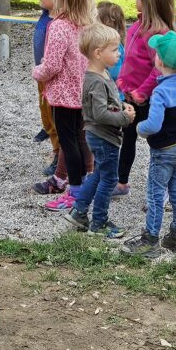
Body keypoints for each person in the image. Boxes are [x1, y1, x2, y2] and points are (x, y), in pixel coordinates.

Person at [122, 31, 176, 258]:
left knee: (155, 194)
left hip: (163, 151)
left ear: (160, 61)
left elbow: (153, 125)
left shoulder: (160, 91)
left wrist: (138, 128)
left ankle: (151, 240)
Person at [63, 23, 136, 238]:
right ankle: (99, 223)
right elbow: (99, 114)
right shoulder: (95, 81)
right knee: (109, 179)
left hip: (103, 136)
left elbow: (109, 103)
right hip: (103, 138)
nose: (119, 52)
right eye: (114, 49)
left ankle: (79, 212)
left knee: (99, 174)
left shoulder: (103, 74)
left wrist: (122, 105)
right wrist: (124, 118)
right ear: (98, 53)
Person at [31, 0, 94, 208]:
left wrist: (37, 71)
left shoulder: (59, 26)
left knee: (68, 142)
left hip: (64, 96)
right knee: (79, 139)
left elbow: (52, 65)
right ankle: (84, 185)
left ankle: (75, 192)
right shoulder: (85, 23)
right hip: (82, 92)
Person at [115, 0, 176, 197]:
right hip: (130, 97)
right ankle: (121, 183)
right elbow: (128, 58)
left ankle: (160, 191)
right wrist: (121, 81)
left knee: (158, 146)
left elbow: (158, 68)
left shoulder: (159, 34)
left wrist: (143, 91)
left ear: (150, 1)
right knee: (127, 139)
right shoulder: (136, 27)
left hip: (150, 100)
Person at [33, 0, 60, 176]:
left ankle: (59, 154)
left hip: (57, 78)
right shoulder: (45, 14)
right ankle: (54, 144)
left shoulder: (61, 21)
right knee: (46, 116)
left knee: (56, 117)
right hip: (42, 75)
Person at [96, 1, 127, 87]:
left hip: (113, 94)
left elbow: (116, 74)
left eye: (96, 20)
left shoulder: (114, 47)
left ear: (106, 23)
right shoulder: (103, 44)